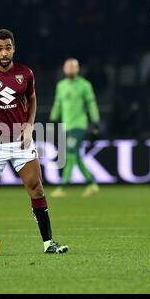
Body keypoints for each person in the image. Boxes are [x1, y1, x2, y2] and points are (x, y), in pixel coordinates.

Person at [0, 29, 68, 254]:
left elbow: (32, 100)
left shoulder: (26, 74)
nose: (4, 52)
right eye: (0, 48)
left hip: (21, 143)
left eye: (8, 48)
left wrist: (29, 127)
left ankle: (48, 243)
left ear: (14, 48)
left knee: (37, 189)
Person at [49, 58, 101, 198]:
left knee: (70, 154)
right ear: (64, 69)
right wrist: (53, 119)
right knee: (76, 156)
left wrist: (95, 122)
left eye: (73, 67)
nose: (71, 69)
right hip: (66, 126)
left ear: (77, 69)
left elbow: (91, 104)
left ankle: (62, 186)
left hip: (79, 126)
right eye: (68, 67)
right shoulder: (61, 85)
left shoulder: (85, 85)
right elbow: (58, 104)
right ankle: (91, 184)